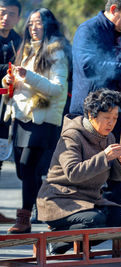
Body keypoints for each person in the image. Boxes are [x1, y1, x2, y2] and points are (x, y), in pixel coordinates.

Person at [70, 0, 121, 206]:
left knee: (117, 164)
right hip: (90, 114)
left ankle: (112, 212)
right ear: (113, 10)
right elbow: (88, 65)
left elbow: (120, 75)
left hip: (118, 114)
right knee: (91, 168)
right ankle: (87, 214)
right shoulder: (88, 29)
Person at [36, 89, 121, 254]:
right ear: (91, 115)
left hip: (89, 201)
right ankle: (58, 240)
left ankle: (71, 244)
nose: (111, 123)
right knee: (95, 221)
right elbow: (73, 173)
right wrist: (104, 156)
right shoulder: (72, 135)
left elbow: (116, 177)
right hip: (61, 200)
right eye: (107, 118)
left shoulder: (109, 138)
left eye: (115, 118)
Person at [2, 8, 69, 234]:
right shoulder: (27, 50)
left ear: (48, 24)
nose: (33, 28)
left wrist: (27, 76)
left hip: (42, 119)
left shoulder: (56, 52)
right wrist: (9, 79)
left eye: (38, 23)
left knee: (28, 168)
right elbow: (20, 83)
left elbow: (58, 89)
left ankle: (24, 218)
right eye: (30, 24)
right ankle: (48, 209)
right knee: (23, 171)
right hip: (21, 117)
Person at [0, 0, 20, 224]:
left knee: (0, 157)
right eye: (2, 13)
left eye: (11, 14)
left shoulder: (18, 42)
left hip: (6, 107)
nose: (5, 17)